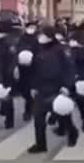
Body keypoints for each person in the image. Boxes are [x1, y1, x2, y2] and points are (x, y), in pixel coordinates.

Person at [27, 25, 78, 153]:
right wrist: (33, 86)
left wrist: (67, 86)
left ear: (49, 36)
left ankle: (72, 132)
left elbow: (69, 69)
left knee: (62, 115)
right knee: (38, 117)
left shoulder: (61, 50)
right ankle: (40, 144)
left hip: (57, 87)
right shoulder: (37, 49)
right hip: (41, 88)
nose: (40, 37)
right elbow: (33, 70)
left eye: (42, 35)